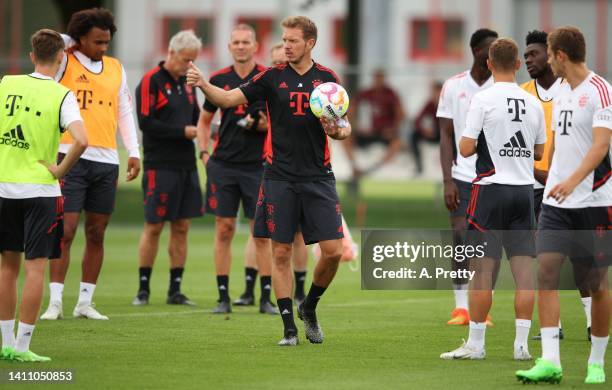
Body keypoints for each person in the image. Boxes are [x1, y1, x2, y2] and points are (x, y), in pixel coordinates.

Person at [188, 15, 351, 346]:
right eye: (284, 39)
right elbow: (228, 99)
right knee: (280, 252)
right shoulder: (272, 78)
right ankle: (289, 329)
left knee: (333, 252)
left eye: (293, 40)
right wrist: (205, 84)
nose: (287, 45)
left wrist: (338, 129)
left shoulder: (327, 80)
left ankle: (311, 306)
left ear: (310, 43)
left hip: (318, 178)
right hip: (279, 177)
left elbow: (344, 126)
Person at [516, 26, 611, 385]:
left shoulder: (600, 91)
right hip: (558, 205)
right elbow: (558, 144)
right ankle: (550, 361)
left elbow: (600, 147)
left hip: (594, 201)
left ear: (560, 56)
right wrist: (548, 174)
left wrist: (571, 181)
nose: (544, 61)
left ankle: (597, 362)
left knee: (596, 282)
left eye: (548, 54)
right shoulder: (563, 94)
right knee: (547, 273)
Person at [440, 37, 546, 361]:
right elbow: (539, 152)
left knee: (482, 270)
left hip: (489, 190)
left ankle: (476, 344)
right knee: (524, 272)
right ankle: (521, 346)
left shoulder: (483, 99)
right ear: (517, 65)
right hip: (524, 192)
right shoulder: (532, 102)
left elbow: (466, 148)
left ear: (488, 64)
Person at [40, 8, 141, 321]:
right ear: (80, 39)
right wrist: (71, 37)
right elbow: (48, 39)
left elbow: (124, 109)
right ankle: (55, 302)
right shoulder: (65, 61)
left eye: (107, 42)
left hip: (106, 160)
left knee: (97, 233)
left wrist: (133, 150)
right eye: (97, 41)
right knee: (65, 231)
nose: (103, 48)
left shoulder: (115, 67)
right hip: (70, 157)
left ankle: (85, 302)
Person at [0, 29, 87, 361]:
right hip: (39, 191)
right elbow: (82, 138)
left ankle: (5, 343)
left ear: (32, 55)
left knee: (7, 267)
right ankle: (22, 348)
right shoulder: (61, 95)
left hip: (4, 188)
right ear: (62, 57)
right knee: (35, 268)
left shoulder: (7, 84)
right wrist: (60, 171)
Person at [197, 24, 277, 315]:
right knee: (224, 229)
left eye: (246, 42)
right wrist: (204, 154)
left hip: (258, 167)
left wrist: (263, 125)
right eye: (236, 42)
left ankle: (266, 297)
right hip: (224, 166)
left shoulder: (268, 78)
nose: (241, 46)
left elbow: (278, 122)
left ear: (255, 46)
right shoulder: (218, 79)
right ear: (229, 47)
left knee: (262, 234)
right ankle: (223, 297)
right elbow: (204, 121)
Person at [521, 30, 593, 342]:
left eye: (534, 54)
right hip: (533, 187)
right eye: (525, 56)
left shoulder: (573, 91)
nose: (529, 61)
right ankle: (555, 327)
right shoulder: (521, 94)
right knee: (545, 260)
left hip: (571, 187)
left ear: (553, 56)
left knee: (582, 262)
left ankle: (592, 323)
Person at [131, 30, 203, 306]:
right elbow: (146, 122)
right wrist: (181, 131)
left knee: (182, 227)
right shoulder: (151, 81)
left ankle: (175, 289)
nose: (189, 65)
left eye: (193, 61)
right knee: (154, 226)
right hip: (160, 165)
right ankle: (143, 289)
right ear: (171, 53)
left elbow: (196, 118)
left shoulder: (187, 84)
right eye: (186, 60)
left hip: (187, 164)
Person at [235, 42, 310, 307]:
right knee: (260, 232)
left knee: (299, 234)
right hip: (271, 167)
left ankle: (299, 289)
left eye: (284, 60)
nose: (281, 66)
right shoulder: (267, 85)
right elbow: (248, 115)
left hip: (305, 168)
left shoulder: (310, 86)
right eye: (276, 61)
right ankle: (250, 289)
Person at [437, 28, 498, 326]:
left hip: (494, 177)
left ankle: (482, 308)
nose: (495, 53)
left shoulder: (504, 88)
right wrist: (447, 180)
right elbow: (445, 135)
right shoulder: (453, 86)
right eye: (491, 48)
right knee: (461, 238)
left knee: (488, 244)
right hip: (462, 176)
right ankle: (461, 306)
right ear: (477, 51)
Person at [343, 69, 404, 178]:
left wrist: (393, 128)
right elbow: (350, 111)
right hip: (365, 132)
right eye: (376, 78)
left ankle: (374, 169)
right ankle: (354, 167)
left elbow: (401, 115)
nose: (378, 81)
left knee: (397, 142)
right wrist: (355, 125)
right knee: (344, 138)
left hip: (383, 132)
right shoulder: (365, 94)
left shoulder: (391, 94)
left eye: (380, 78)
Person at [411, 81, 442, 175]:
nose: (435, 95)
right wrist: (424, 130)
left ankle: (454, 165)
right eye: (434, 92)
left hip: (446, 134)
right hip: (433, 133)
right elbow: (417, 120)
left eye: (437, 92)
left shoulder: (449, 104)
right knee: (414, 136)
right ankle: (419, 165)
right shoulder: (429, 104)